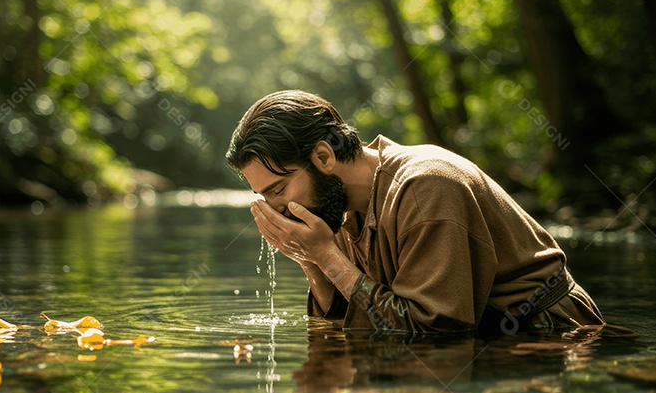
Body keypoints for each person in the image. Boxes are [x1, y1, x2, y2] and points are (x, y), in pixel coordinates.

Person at [226, 90, 604, 335]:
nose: (276, 207)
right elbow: (340, 321)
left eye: (278, 189)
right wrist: (311, 259)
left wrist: (327, 255)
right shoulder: (333, 205)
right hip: (486, 337)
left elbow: (435, 329)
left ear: (324, 157)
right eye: (263, 195)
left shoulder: (426, 187)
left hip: (549, 339)